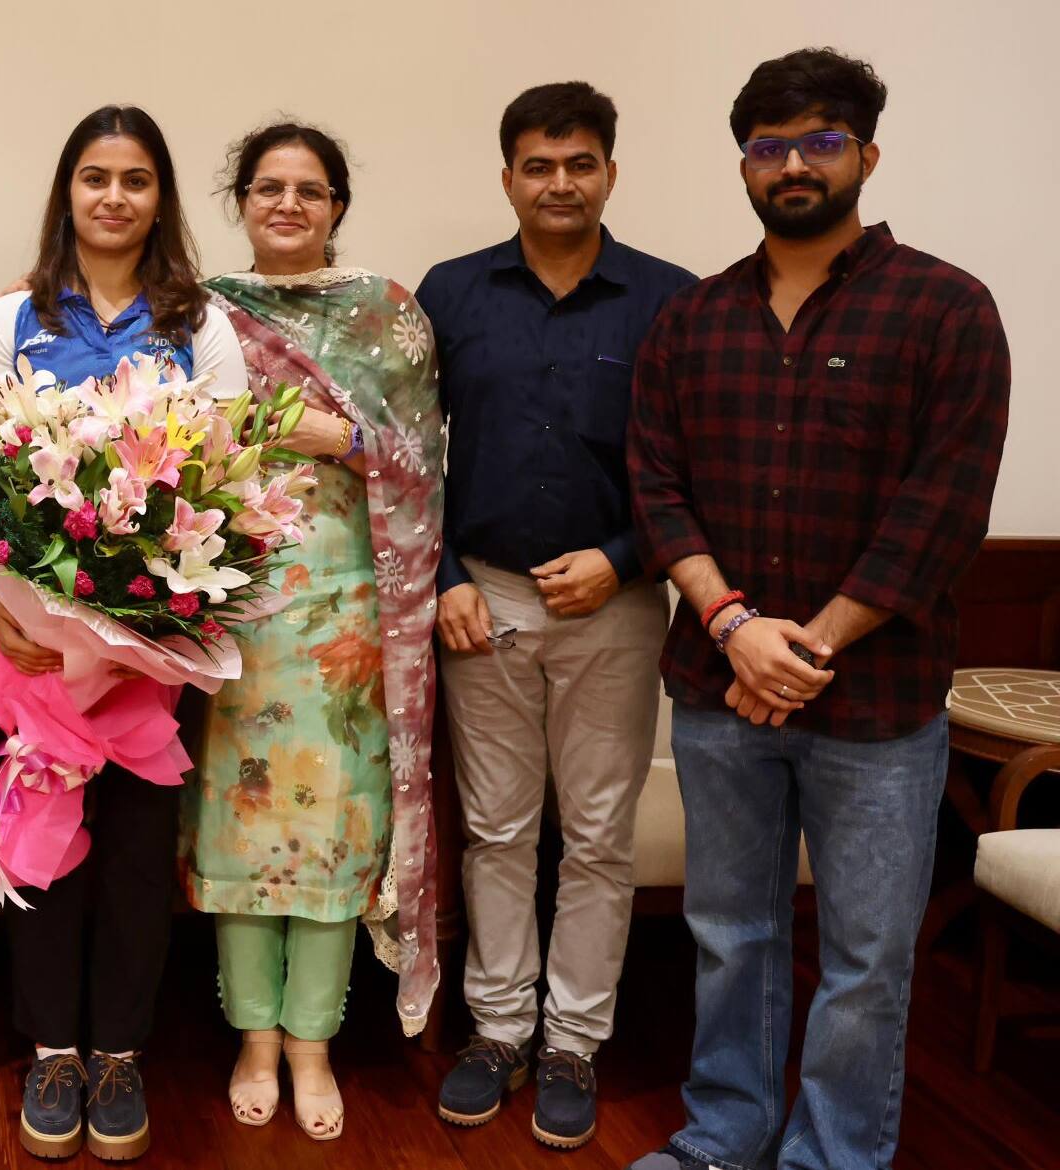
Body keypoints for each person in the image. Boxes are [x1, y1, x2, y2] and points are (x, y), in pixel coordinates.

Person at [625, 48, 1009, 1170]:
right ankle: (725, 1134)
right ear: (743, 166)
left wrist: (814, 642)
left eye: (819, 141)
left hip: (879, 706)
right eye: (768, 146)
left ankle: (833, 1157)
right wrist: (737, 628)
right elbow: (654, 487)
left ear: (866, 155)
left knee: (864, 957)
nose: (792, 164)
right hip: (717, 691)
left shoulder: (946, 309)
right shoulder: (690, 322)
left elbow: (943, 507)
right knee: (728, 935)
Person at [0, 103, 247, 1163]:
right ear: (66, 192)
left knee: (130, 854)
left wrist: (154, 622)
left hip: (154, 647)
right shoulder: (8, 320)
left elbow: (223, 478)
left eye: (134, 179)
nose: (113, 197)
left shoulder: (197, 323)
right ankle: (52, 1050)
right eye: (94, 178)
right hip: (33, 645)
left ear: (158, 196)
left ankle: (120, 1050)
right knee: (42, 843)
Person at [416, 81, 694, 1150]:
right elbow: (410, 459)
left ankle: (573, 1040)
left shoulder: (668, 299)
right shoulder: (450, 294)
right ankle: (496, 1032)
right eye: (538, 164)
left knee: (595, 837)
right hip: (478, 597)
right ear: (507, 179)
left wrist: (625, 558)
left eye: (579, 163)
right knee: (493, 830)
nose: (559, 182)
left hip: (615, 605)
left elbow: (689, 465)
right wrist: (443, 575)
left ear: (610, 174)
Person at [185, 120, 444, 1142]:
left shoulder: (387, 314)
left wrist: (342, 437)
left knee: (334, 837)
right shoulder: (202, 313)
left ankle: (312, 1044)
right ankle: (251, 1039)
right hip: (230, 610)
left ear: (336, 205)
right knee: (240, 828)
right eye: (267, 187)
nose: (287, 203)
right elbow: (159, 444)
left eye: (309, 189)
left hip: (351, 619)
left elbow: (426, 465)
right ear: (239, 200)